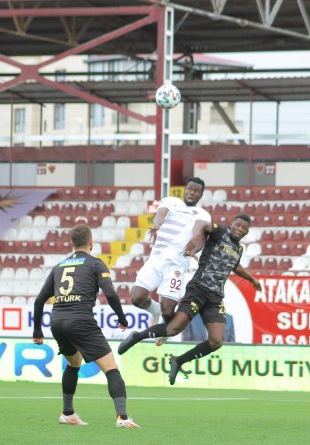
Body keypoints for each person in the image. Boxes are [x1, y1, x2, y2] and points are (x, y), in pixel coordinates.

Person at [119, 214, 260, 385]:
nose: (240, 229)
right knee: (173, 329)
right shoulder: (220, 231)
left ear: (246, 233)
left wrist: (251, 279)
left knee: (216, 341)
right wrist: (195, 236)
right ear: (231, 224)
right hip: (198, 289)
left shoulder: (239, 249)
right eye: (238, 225)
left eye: (244, 228)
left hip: (215, 297)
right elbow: (201, 223)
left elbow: (235, 266)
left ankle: (178, 361)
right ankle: (137, 337)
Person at [32, 224, 140, 429]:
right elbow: (110, 294)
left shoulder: (59, 266)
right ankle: (123, 418)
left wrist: (37, 331)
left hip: (57, 322)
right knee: (111, 368)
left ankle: (67, 413)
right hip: (80, 320)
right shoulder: (96, 264)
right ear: (91, 242)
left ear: (72, 243)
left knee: (74, 363)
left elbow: (39, 301)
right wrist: (122, 318)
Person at [130, 177, 211, 344]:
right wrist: (156, 226)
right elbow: (161, 214)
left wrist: (194, 247)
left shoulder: (203, 214)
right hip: (157, 258)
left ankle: (165, 331)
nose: (192, 193)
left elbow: (200, 233)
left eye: (196, 191)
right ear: (185, 189)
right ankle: (155, 311)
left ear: (201, 195)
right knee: (137, 298)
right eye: (190, 189)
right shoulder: (171, 201)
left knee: (168, 311)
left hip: (177, 265)